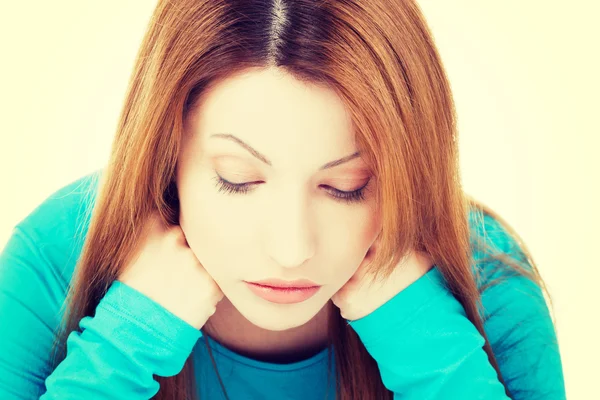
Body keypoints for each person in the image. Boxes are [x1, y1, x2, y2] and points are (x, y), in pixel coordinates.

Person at [0, 0, 566, 399]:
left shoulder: (488, 274)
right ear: (166, 152)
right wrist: (126, 343)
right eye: (238, 179)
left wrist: (427, 344)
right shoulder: (53, 258)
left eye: (346, 186)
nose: (291, 249)